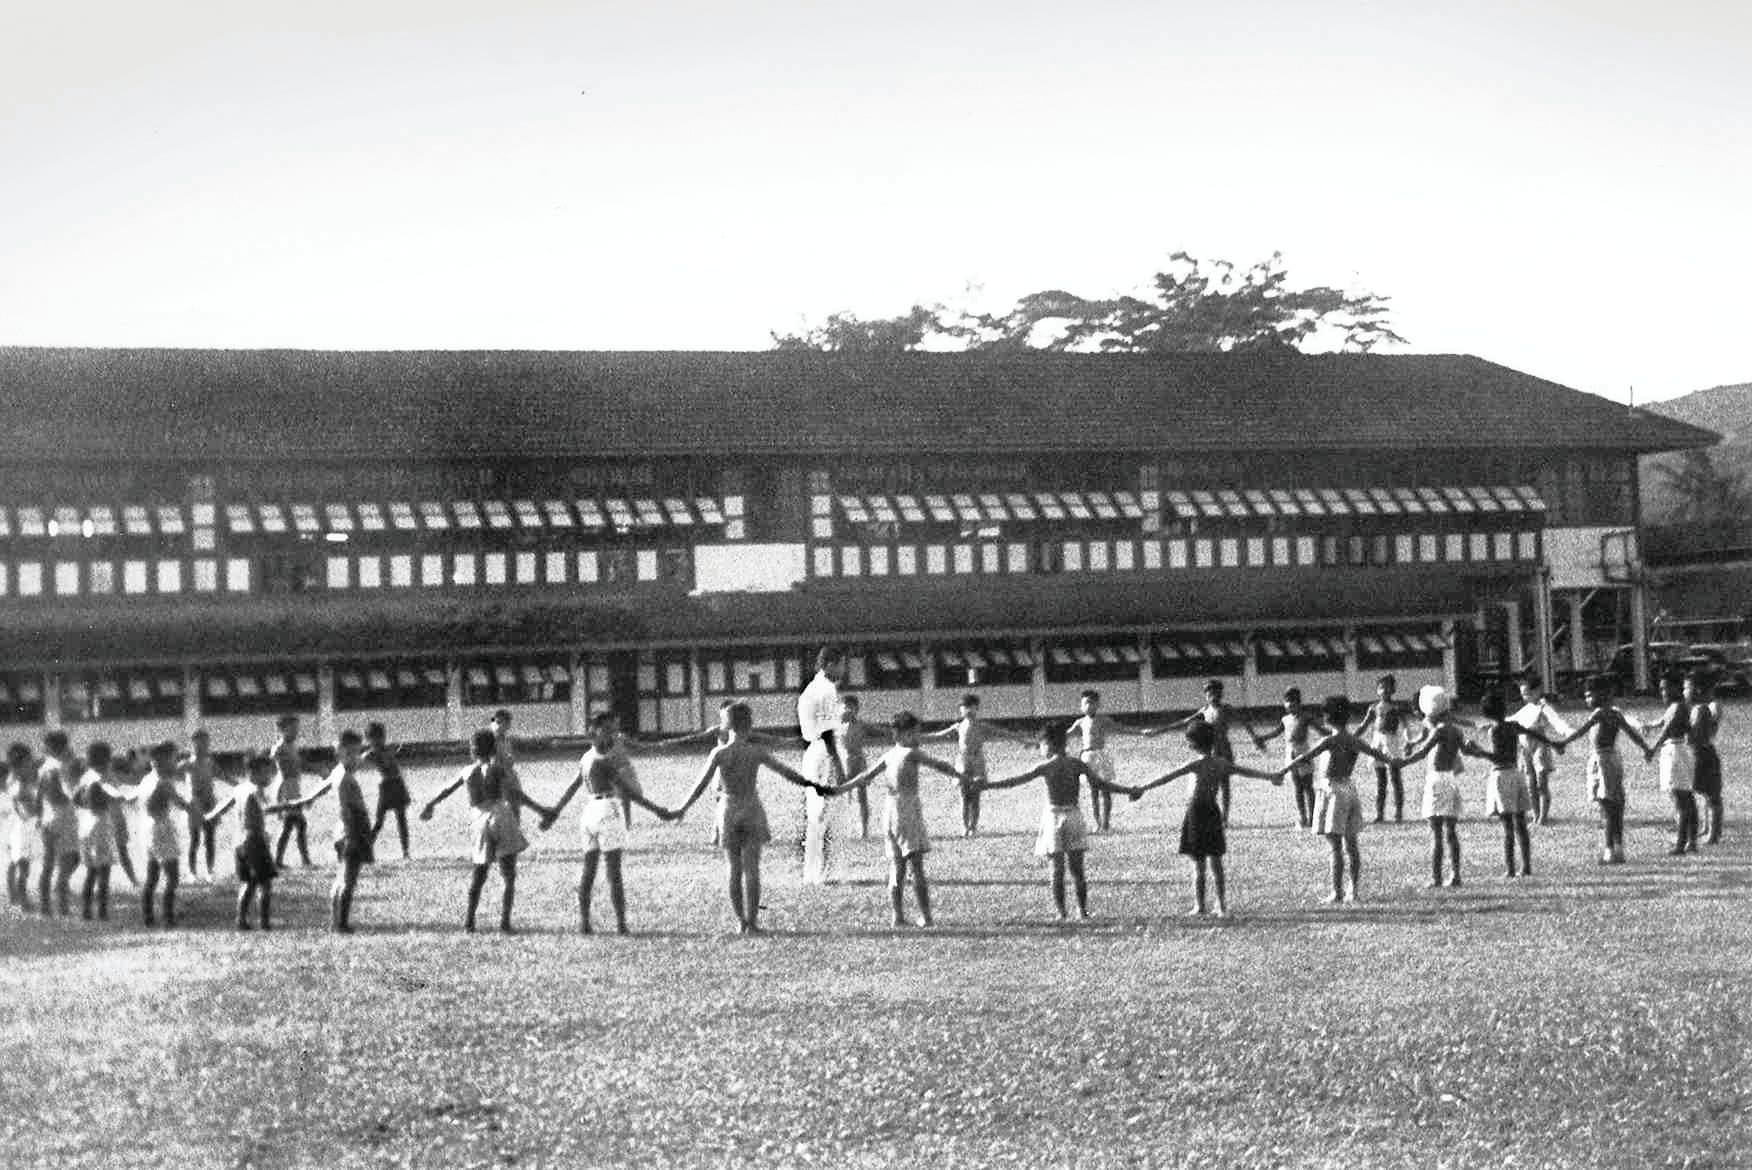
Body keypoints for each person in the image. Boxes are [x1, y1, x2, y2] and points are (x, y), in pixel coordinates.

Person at [674, 701, 827, 934]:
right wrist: (813, 784)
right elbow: (786, 772)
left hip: (728, 809)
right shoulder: (756, 751)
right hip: (751, 809)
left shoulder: (719, 753)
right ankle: (753, 923)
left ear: (727, 725)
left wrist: (682, 808)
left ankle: (740, 922)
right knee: (752, 870)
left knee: (733, 869)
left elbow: (700, 785)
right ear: (750, 724)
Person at [1125, 722, 1283, 918]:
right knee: (1216, 863)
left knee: (1198, 864)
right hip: (1212, 812)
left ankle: (1200, 906)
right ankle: (1221, 905)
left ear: (1193, 744)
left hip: (1195, 814)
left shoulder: (1195, 765)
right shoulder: (1222, 763)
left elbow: (1166, 777)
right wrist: (1270, 776)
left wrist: (1142, 788)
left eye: (1189, 741)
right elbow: (1247, 771)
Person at [979, 722, 1133, 920]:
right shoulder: (1077, 764)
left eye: (1041, 745)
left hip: (1053, 818)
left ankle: (1061, 913)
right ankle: (1082, 911)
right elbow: (1101, 784)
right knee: (1077, 870)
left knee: (1056, 870)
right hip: (1074, 816)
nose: (1041, 749)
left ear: (1049, 745)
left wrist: (987, 786)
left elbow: (1014, 781)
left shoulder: (1045, 767)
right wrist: (1130, 791)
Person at [542, 714, 680, 935]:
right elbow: (629, 793)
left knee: (589, 869)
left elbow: (572, 788)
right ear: (594, 731)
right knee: (613, 872)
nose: (611, 736)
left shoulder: (586, 758)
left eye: (612, 731)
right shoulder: (603, 762)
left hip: (589, 812)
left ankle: (584, 923)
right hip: (606, 810)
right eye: (606, 730)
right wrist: (659, 811)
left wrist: (555, 812)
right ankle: (621, 925)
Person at [830, 711, 966, 927]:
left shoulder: (888, 755)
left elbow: (865, 776)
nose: (918, 738)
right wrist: (964, 778)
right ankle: (926, 917)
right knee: (916, 867)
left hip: (889, 811)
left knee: (896, 867)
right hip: (907, 810)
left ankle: (897, 916)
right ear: (902, 734)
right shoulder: (911, 753)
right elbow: (940, 765)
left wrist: (840, 789)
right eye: (914, 733)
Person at [421, 729, 554, 933]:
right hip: (501, 815)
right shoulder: (498, 769)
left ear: (472, 750)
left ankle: (469, 922)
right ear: (494, 749)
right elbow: (515, 794)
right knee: (508, 875)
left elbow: (447, 789)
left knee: (479, 874)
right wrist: (541, 810)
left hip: (479, 819)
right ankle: (505, 923)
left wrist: (431, 804)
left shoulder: (467, 771)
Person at [1283, 697, 1397, 904]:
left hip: (1333, 789)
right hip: (1349, 788)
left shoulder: (1330, 740)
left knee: (1335, 846)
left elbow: (1303, 757)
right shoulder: (1354, 740)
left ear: (1328, 717)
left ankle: (1337, 892)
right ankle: (1354, 889)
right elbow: (1377, 753)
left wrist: (1281, 772)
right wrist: (1397, 761)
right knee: (1351, 843)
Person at [1556, 675, 1652, 864]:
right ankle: (1618, 848)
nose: (1587, 699)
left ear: (1604, 694)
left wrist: (1563, 743)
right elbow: (1632, 734)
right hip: (1613, 759)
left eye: (1589, 695)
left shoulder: (1600, 713)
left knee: (1606, 807)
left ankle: (1609, 850)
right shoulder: (1616, 714)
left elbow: (1581, 731)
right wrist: (1646, 749)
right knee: (1616, 806)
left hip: (1602, 760)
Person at [205, 753, 307, 930]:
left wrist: (210, 816)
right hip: (255, 841)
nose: (270, 777)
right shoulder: (254, 790)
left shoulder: (239, 789)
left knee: (248, 882)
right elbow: (266, 808)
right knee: (265, 883)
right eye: (266, 773)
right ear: (253, 773)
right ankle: (265, 922)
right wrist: (290, 805)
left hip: (239, 843)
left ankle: (241, 920)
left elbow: (224, 806)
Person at [1477, 692, 1563, 878]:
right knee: (1521, 825)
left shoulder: (1495, 731)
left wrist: (1479, 752)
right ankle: (1526, 867)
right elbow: (1535, 734)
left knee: (1508, 827)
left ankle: (1510, 869)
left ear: (1486, 714)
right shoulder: (1513, 726)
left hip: (1502, 776)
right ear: (1504, 708)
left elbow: (1499, 757)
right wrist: (1554, 744)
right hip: (1517, 775)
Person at [1154, 680, 1263, 826]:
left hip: (1224, 750)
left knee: (1224, 783)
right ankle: (1211, 815)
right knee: (1210, 784)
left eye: (1216, 693)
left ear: (1221, 694)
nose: (1213, 696)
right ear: (1206, 695)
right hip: (1209, 750)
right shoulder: (1205, 710)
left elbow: (1244, 722)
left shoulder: (1226, 709)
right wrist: (1159, 730)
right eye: (1210, 693)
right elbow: (1185, 721)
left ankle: (1225, 818)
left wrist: (1254, 738)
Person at [922, 693, 1030, 837]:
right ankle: (964, 826)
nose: (968, 710)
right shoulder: (958, 726)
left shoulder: (982, 726)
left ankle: (973, 827)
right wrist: (917, 738)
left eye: (971, 707)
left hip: (977, 762)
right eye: (964, 707)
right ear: (960, 709)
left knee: (975, 796)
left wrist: (1024, 740)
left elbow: (1004, 733)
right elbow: (938, 736)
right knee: (964, 796)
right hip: (963, 762)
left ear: (977, 708)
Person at [299, 730, 374, 933]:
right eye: (350, 754)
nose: (356, 758)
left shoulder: (338, 772)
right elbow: (346, 809)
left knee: (341, 877)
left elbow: (322, 788)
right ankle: (342, 924)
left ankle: (335, 921)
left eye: (357, 753)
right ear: (339, 752)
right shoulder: (345, 779)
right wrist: (354, 837)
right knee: (348, 881)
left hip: (342, 832)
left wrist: (306, 800)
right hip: (351, 831)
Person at [1398, 686, 1470, 888]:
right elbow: (1466, 750)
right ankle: (1455, 874)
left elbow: (1423, 752)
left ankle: (1436, 877)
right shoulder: (1456, 730)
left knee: (1436, 832)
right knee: (1451, 831)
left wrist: (1402, 762)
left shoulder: (1438, 731)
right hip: (1451, 779)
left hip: (1436, 780)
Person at [797, 647, 850, 883]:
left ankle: (814, 871)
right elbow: (828, 732)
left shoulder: (812, 688)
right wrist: (838, 764)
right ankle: (823, 872)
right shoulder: (826, 689)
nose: (843, 670)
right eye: (841, 664)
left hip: (814, 752)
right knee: (825, 813)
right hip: (825, 753)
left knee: (816, 813)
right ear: (829, 664)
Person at [1072, 689, 1159, 832]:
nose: (1088, 706)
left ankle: (1106, 823)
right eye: (1085, 703)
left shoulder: (1103, 720)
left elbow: (1121, 729)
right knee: (1093, 791)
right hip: (1087, 757)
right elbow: (1064, 734)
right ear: (1081, 706)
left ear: (1098, 704)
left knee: (1106, 790)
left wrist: (1141, 732)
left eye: (1091, 703)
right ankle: (1097, 823)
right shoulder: (1080, 722)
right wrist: (1041, 741)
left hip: (1101, 756)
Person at [129, 741, 193, 927]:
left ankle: (148, 916)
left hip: (146, 830)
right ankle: (168, 916)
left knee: (152, 876)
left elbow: (133, 798)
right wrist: (200, 812)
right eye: (173, 759)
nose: (175, 763)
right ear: (162, 760)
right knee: (172, 876)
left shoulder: (146, 780)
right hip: (162, 829)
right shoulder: (163, 783)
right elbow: (181, 804)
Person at [1253, 687, 1328, 831]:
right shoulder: (1285, 719)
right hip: (1290, 754)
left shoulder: (1305, 717)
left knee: (1308, 787)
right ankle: (1303, 816)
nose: (1290, 705)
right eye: (1287, 702)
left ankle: (1313, 817)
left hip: (1303, 753)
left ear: (1299, 703)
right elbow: (1276, 732)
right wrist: (1263, 738)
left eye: (1293, 702)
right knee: (1297, 788)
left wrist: (1335, 733)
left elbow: (1321, 730)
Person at [1644, 673, 1697, 855]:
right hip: (1678, 751)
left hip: (1676, 752)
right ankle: (1691, 841)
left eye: (1666, 688)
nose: (1663, 692)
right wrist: (1649, 725)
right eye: (1661, 689)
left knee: (1680, 799)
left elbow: (1667, 729)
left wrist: (1652, 749)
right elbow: (1662, 722)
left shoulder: (1678, 707)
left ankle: (1681, 844)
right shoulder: (1675, 707)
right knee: (1687, 798)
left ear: (1677, 688)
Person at [73, 741, 125, 920]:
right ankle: (102, 911)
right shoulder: (104, 778)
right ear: (107, 759)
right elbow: (115, 796)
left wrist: (88, 803)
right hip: (101, 823)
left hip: (86, 823)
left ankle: (86, 910)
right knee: (104, 870)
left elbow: (76, 799)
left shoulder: (86, 776)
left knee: (91, 871)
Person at [1511, 675, 1573, 826]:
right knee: (1530, 784)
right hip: (1525, 748)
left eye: (1527, 693)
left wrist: (1568, 732)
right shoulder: (1526, 709)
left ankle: (1543, 817)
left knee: (1541, 783)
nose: (1525, 697)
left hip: (1539, 747)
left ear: (1537, 691)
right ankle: (1536, 815)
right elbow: (1510, 720)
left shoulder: (1544, 708)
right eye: (1523, 694)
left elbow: (1557, 722)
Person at [35, 730, 82, 917]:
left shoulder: (43, 768)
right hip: (63, 817)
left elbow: (39, 796)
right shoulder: (61, 767)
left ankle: (45, 907)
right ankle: (63, 906)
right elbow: (68, 792)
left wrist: (39, 817)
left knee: (48, 865)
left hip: (48, 817)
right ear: (64, 746)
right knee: (70, 860)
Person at [1355, 674, 1414, 823]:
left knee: (1395, 777)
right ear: (1377, 690)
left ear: (1393, 690)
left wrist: (1408, 742)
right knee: (1380, 780)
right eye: (1382, 687)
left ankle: (1398, 813)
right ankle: (1379, 813)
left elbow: (1405, 726)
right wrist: (1352, 738)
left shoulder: (1397, 708)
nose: (1385, 690)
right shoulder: (1373, 708)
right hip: (1377, 741)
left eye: (1388, 687)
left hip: (1391, 741)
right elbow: (1364, 725)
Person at [269, 715, 318, 867]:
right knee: (296, 824)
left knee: (292, 826)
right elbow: (280, 770)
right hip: (286, 789)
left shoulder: (292, 747)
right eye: (292, 729)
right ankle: (301, 860)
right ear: (282, 730)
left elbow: (299, 765)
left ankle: (283, 860)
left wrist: (316, 770)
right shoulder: (280, 748)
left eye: (297, 729)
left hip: (294, 787)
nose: (296, 732)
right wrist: (280, 797)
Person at [179, 729, 229, 878]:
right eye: (199, 743)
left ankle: (210, 871)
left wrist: (238, 785)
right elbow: (169, 773)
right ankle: (192, 873)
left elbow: (223, 776)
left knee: (210, 839)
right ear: (193, 744)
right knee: (194, 840)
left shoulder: (210, 763)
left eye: (206, 743)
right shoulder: (188, 764)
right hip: (195, 805)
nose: (203, 746)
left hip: (209, 803)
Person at [1685, 672, 1724, 845]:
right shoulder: (1695, 708)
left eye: (1686, 687)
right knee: (1704, 794)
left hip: (1704, 754)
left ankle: (1714, 834)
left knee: (1712, 795)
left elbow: (1697, 732)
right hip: (1696, 753)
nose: (1684, 691)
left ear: (1698, 690)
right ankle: (1707, 828)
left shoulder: (1704, 709)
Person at [364, 722, 413, 860]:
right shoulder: (374, 753)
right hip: (387, 786)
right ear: (369, 739)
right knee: (379, 822)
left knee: (400, 820)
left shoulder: (382, 751)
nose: (379, 741)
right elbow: (366, 759)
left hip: (395, 784)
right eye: (375, 738)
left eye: (380, 737)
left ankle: (405, 851)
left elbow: (393, 756)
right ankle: (366, 849)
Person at [6, 742, 39, 909]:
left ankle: (13, 895)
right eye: (29, 761)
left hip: (16, 827)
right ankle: (23, 899)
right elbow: (25, 809)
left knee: (14, 862)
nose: (31, 763)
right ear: (21, 762)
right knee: (23, 864)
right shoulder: (19, 783)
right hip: (21, 828)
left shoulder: (15, 779)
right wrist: (37, 812)